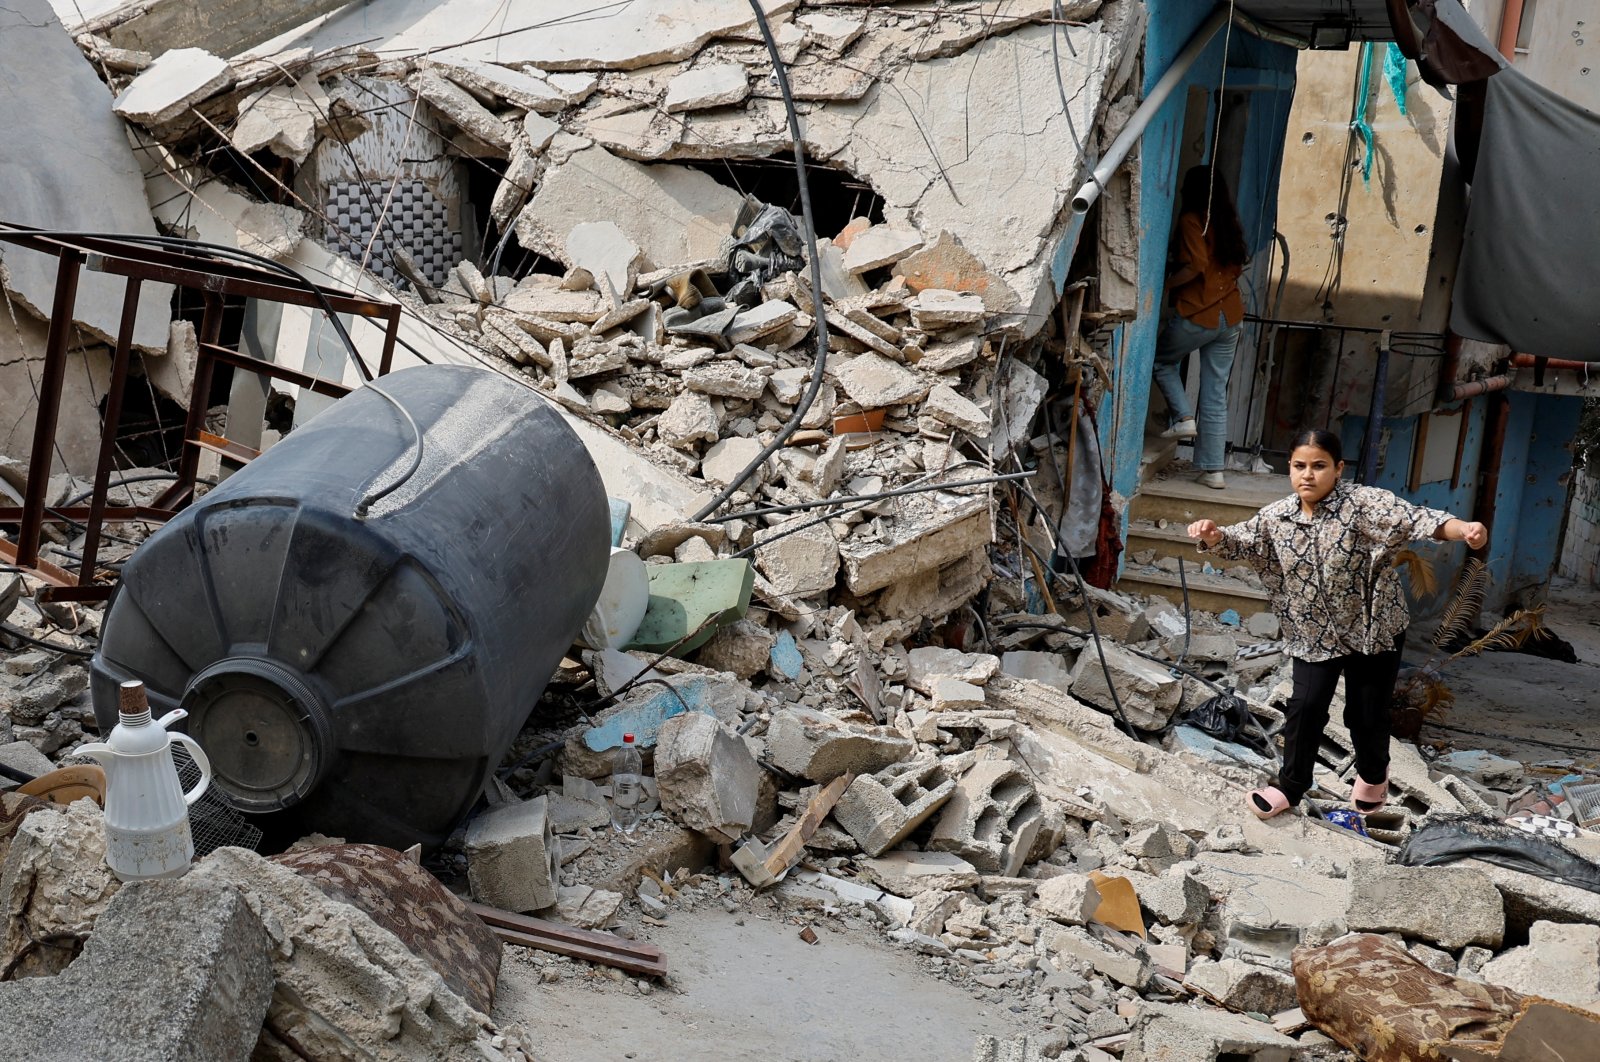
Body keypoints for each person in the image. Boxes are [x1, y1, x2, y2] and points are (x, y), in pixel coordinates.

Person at [1184, 430, 1489, 820]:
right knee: (1305, 708)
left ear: (1338, 469)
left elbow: (1414, 518)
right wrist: (1212, 536)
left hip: (1373, 630)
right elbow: (1239, 541)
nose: (1307, 475)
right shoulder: (1277, 518)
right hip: (1314, 633)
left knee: (1365, 715)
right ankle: (1290, 787)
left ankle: (1374, 776)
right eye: (1299, 466)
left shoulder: (1362, 505)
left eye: (1318, 466)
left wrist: (1463, 529)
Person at [1153, 165, 1248, 490]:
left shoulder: (1192, 220)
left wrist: (1166, 285)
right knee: (1214, 392)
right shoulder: (1227, 220)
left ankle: (1183, 420)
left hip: (1199, 314)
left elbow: (1195, 265)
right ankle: (1213, 471)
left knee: (1162, 360)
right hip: (1230, 316)